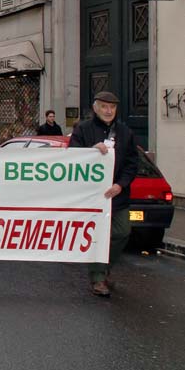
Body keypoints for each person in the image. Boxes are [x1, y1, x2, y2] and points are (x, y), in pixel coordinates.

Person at [68, 91, 138, 298]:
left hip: (117, 196)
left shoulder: (125, 132)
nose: (109, 111)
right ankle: (98, 278)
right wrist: (90, 151)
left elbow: (132, 163)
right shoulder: (83, 130)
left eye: (112, 107)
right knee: (97, 235)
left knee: (122, 231)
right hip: (92, 196)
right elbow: (72, 157)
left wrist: (120, 185)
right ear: (95, 108)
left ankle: (105, 267)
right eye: (104, 107)